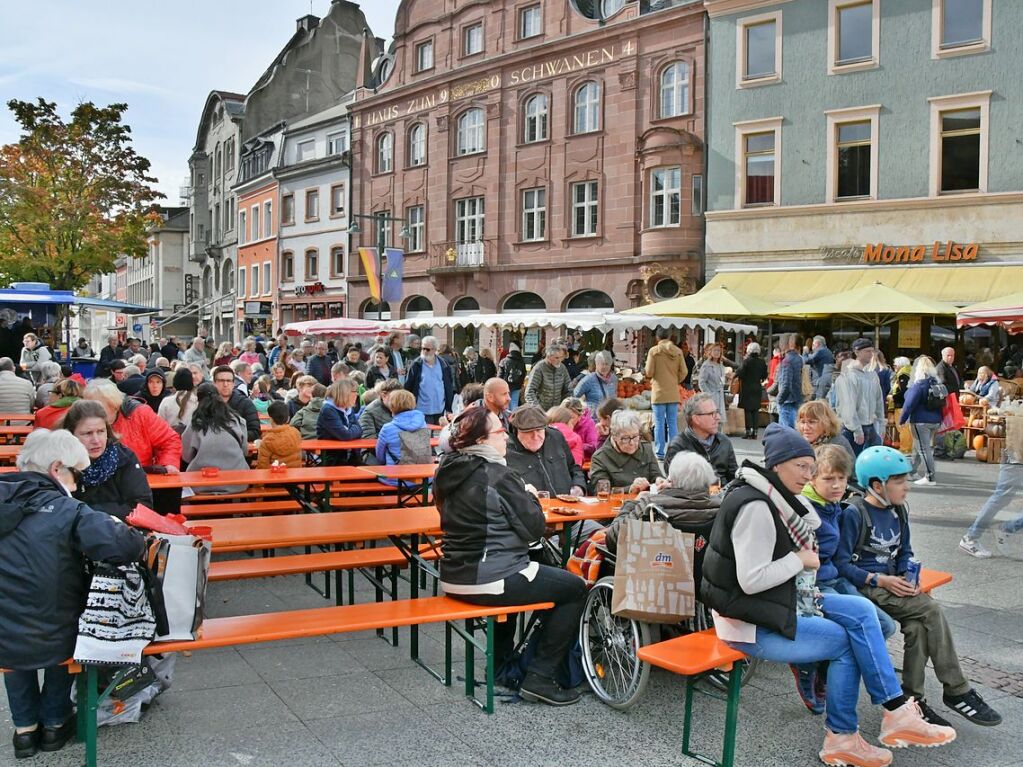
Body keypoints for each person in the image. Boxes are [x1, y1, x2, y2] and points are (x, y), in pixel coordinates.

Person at [701, 426, 956, 766]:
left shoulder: (775, 499)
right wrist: (799, 560)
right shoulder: (756, 506)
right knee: (845, 642)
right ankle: (843, 736)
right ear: (776, 465)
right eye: (801, 467)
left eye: (811, 467)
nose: (808, 475)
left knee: (864, 612)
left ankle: (893, 711)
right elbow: (751, 581)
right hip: (747, 622)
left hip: (780, 603)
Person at [0, 430, 145, 759]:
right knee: (63, 631)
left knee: (13, 640)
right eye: (76, 474)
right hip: (56, 630)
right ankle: (53, 723)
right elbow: (122, 545)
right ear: (56, 469)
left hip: (4, 633)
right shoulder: (67, 509)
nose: (79, 485)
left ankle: (24, 731)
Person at [836, 446, 1002, 728]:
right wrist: (880, 580)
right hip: (867, 588)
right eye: (899, 482)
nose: (907, 488)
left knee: (917, 627)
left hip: (894, 586)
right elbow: (840, 564)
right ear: (877, 485)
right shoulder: (855, 513)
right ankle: (957, 689)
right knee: (931, 610)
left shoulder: (898, 511)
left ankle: (913, 701)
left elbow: (904, 552)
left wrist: (907, 577)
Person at [435, 405, 587, 705]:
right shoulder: (499, 475)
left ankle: (504, 664)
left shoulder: (446, 470)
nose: (505, 436)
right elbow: (534, 529)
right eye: (500, 431)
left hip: (454, 574)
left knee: (534, 578)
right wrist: (529, 496)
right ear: (480, 440)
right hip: (491, 577)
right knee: (575, 589)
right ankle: (540, 677)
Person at [605, 451, 720, 553]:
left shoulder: (651, 506)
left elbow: (613, 539)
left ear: (673, 482)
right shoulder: (721, 507)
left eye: (668, 479)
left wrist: (634, 503)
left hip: (655, 572)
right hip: (704, 574)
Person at [62, 399, 153, 519]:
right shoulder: (59, 462)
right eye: (87, 433)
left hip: (119, 531)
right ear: (71, 434)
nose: (96, 440)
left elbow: (142, 506)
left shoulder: (124, 458)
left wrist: (88, 512)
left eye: (100, 431)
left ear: (107, 431)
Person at [82, 379, 181, 474]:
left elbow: (170, 440)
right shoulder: (81, 421)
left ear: (113, 404)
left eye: (97, 408)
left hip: (141, 476)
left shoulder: (140, 414)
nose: (92, 412)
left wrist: (167, 464)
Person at [181, 383, 250, 494]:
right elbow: (245, 451)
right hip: (237, 482)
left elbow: (186, 456)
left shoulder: (195, 424)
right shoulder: (236, 420)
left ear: (199, 400)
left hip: (201, 484)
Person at [505, 405, 587, 496]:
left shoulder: (555, 437)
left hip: (567, 506)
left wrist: (579, 486)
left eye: (539, 430)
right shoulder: (505, 450)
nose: (535, 437)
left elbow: (574, 468)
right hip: (532, 508)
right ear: (516, 431)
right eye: (528, 432)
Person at [664, 393, 739, 486]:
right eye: (712, 414)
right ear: (696, 419)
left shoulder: (724, 442)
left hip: (724, 496)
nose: (718, 418)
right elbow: (675, 484)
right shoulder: (678, 446)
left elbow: (734, 478)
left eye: (717, 412)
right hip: (693, 498)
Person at [589, 410, 664, 494]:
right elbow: (600, 491)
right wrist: (630, 489)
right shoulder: (600, 458)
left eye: (635, 436)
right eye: (625, 438)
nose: (632, 443)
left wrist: (659, 481)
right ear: (614, 436)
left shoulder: (646, 448)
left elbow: (655, 474)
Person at [833, 339, 885, 457]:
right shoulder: (848, 376)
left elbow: (879, 402)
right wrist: (856, 430)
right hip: (851, 429)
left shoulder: (872, 375)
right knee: (852, 465)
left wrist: (881, 424)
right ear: (857, 352)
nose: (871, 354)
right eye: (867, 351)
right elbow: (847, 406)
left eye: (872, 351)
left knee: (870, 463)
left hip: (869, 426)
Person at [897, 356, 944, 488]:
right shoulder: (937, 383)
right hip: (935, 420)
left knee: (923, 448)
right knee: (920, 447)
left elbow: (909, 404)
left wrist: (902, 419)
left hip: (920, 420)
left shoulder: (919, 385)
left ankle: (930, 477)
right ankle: (912, 471)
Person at [645, 329, 688, 459]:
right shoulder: (678, 352)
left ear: (657, 337)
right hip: (673, 392)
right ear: (669, 337)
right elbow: (684, 371)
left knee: (658, 423)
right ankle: (674, 450)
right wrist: (676, 380)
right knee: (672, 423)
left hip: (658, 392)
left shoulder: (654, 351)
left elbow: (649, 372)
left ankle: (659, 451)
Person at [375, 389, 431, 469]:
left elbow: (380, 457)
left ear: (392, 406)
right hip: (424, 477)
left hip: (396, 478)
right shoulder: (422, 424)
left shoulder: (387, 428)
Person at [405, 336, 455, 425]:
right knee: (424, 436)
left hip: (439, 410)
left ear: (435, 349)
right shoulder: (416, 365)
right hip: (421, 410)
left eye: (427, 349)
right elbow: (408, 386)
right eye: (422, 348)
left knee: (437, 437)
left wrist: (448, 408)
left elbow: (448, 386)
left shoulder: (443, 364)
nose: (424, 351)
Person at [316, 379, 363, 465]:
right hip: (334, 459)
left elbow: (360, 429)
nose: (357, 394)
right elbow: (345, 435)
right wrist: (351, 431)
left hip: (351, 456)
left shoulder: (348, 408)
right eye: (354, 391)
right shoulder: (328, 410)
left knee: (374, 474)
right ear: (344, 393)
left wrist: (349, 431)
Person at [211, 365, 261, 442]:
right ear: (214, 383)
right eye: (221, 380)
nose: (225, 384)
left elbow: (255, 432)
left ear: (233, 383)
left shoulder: (245, 403)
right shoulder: (207, 403)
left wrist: (231, 437)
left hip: (238, 449)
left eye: (228, 381)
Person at [525, 344, 572, 412]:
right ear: (548, 357)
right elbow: (529, 392)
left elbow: (568, 389)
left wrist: (564, 406)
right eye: (556, 358)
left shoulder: (562, 368)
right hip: (541, 411)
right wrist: (538, 410)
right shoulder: (539, 368)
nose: (559, 360)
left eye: (561, 357)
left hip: (557, 411)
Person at [256, 401, 302, 469]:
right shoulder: (296, 433)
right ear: (288, 419)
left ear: (271, 419)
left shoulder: (267, 440)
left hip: (275, 476)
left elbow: (262, 466)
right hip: (295, 473)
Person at [736, 342, 768, 440]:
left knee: (748, 410)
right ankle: (755, 431)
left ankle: (748, 431)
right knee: (755, 410)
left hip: (747, 388)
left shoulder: (746, 361)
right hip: (757, 387)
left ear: (748, 351)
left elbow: (740, 373)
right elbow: (764, 375)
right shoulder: (762, 362)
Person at [573, 351, 617, 415]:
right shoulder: (588, 379)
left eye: (607, 364)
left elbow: (614, 396)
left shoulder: (613, 379)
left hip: (609, 417)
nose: (604, 367)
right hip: (593, 420)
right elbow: (574, 396)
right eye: (601, 363)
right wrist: (584, 409)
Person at [775, 334, 805, 430]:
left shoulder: (787, 361)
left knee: (786, 432)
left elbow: (786, 384)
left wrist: (779, 399)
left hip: (787, 401)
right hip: (797, 398)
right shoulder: (800, 359)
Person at [159, 368, 198, 433]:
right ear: (191, 383)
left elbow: (159, 425)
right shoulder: (197, 402)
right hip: (190, 441)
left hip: (169, 439)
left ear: (175, 383)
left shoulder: (166, 401)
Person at [499, 342, 527, 409]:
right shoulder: (521, 362)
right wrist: (521, 383)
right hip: (517, 385)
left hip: (505, 385)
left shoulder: (504, 361)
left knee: (505, 403)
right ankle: (514, 417)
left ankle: (506, 418)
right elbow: (524, 373)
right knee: (514, 403)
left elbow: (500, 375)